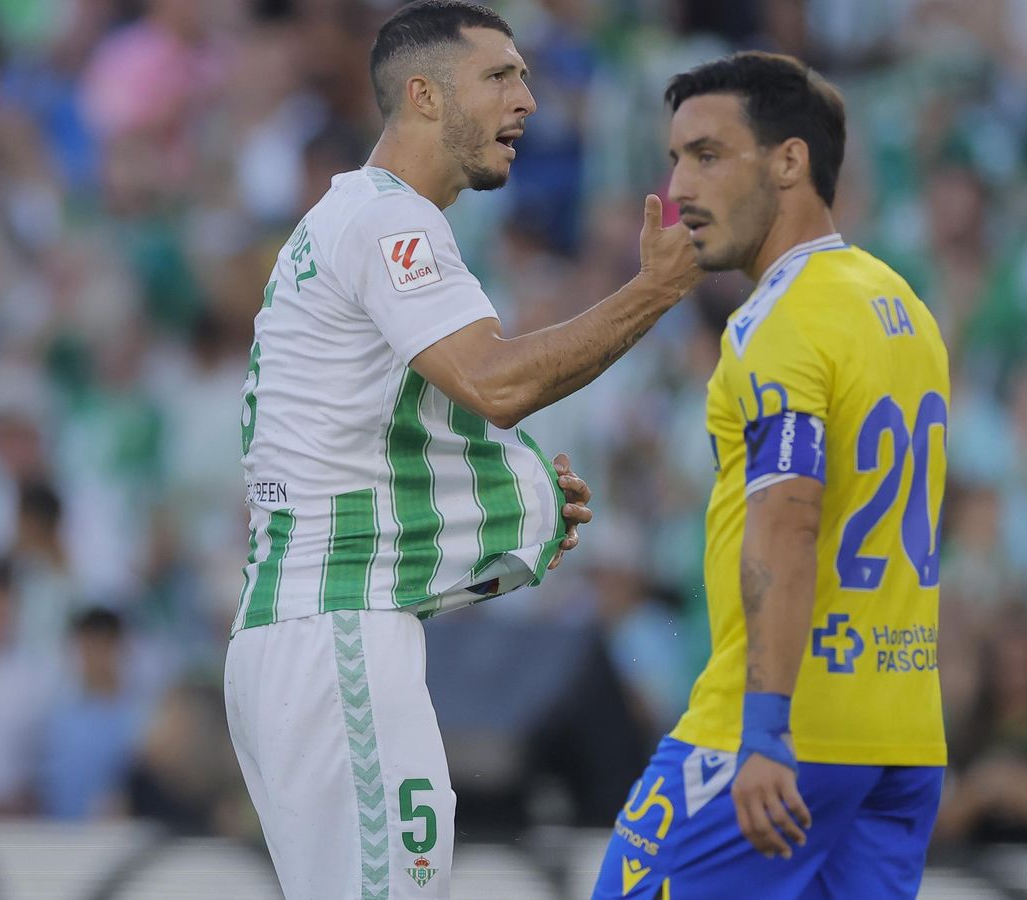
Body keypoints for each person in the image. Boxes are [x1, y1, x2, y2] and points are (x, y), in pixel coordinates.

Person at [225, 2, 701, 897]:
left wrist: (509, 497)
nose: (527, 98)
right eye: (499, 77)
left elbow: (352, 439)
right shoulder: (389, 224)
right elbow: (499, 383)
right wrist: (654, 291)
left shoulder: (344, 220)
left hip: (302, 632)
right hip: (339, 640)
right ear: (424, 95)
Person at [593, 51, 950, 899]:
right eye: (675, 157)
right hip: (900, 740)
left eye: (707, 155)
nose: (678, 187)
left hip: (774, 738)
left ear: (791, 160)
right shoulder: (903, 306)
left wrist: (763, 732)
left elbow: (790, 518)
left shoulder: (779, 323)